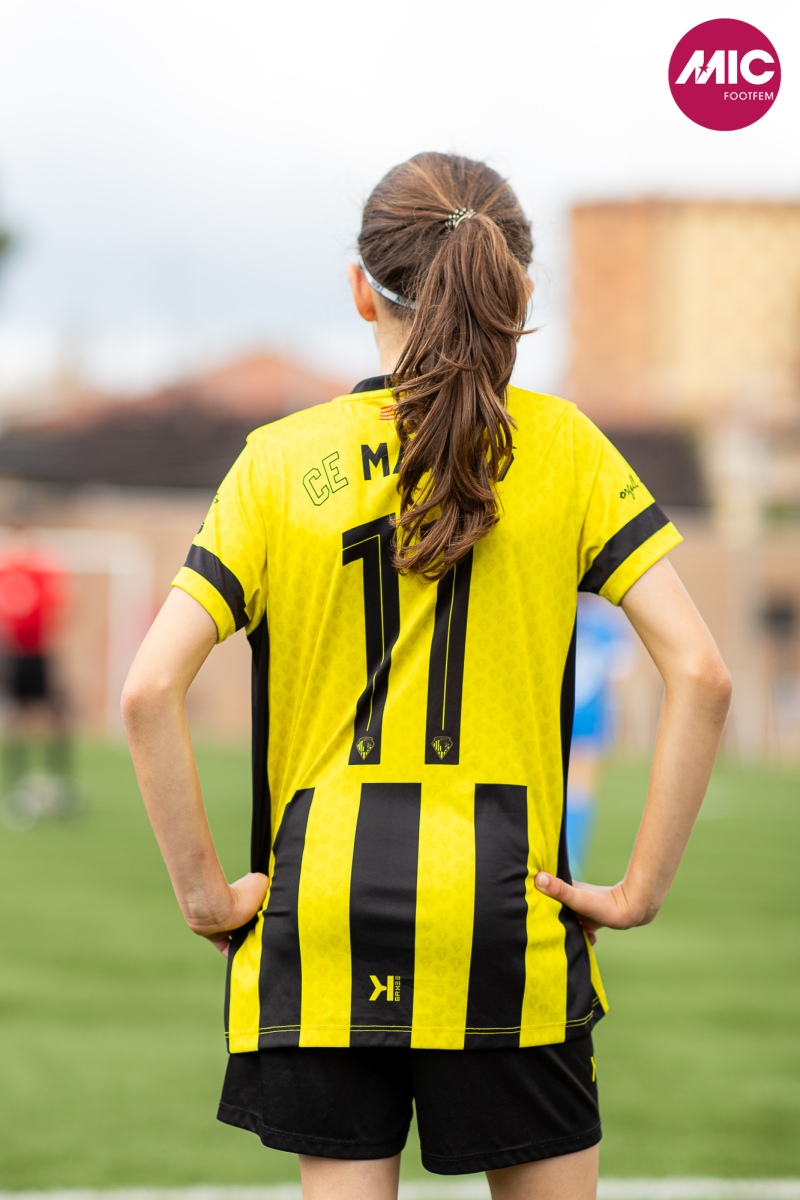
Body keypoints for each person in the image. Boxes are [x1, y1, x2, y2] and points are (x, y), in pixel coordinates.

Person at [122, 152, 731, 1200]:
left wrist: (206, 896)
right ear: (518, 291)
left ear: (362, 289)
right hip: (506, 914)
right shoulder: (568, 450)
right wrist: (637, 891)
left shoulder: (277, 462)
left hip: (319, 911)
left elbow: (145, 692)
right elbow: (703, 675)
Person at [0, 523, 76, 825]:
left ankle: (58, 782)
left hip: (39, 653)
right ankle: (19, 782)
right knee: (17, 718)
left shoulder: (43, 569)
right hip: (13, 654)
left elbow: (59, 606)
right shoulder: (6, 569)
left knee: (54, 715)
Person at [567, 594, 635, 878]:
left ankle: (553, 854)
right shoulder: (606, 623)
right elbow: (620, 675)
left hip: (555, 714)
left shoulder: (557, 612)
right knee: (580, 789)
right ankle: (570, 858)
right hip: (589, 716)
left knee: (551, 788)